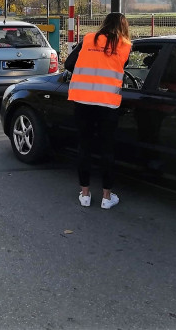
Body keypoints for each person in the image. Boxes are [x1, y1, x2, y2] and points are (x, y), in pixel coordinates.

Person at [66, 12, 132, 209]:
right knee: (107, 150)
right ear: (123, 27)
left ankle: (84, 194)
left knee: (84, 147)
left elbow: (69, 64)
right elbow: (122, 68)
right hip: (107, 104)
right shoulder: (125, 45)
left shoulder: (87, 39)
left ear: (104, 24)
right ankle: (106, 197)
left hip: (83, 101)